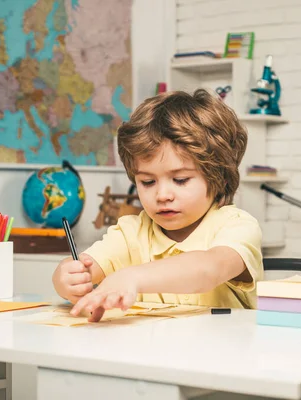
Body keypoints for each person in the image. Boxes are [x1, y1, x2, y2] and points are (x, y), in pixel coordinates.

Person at [52, 88, 263, 322]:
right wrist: (67, 278)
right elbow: (84, 268)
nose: (162, 195)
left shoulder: (236, 226)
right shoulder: (132, 231)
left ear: (219, 177)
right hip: (151, 354)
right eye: (148, 181)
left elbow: (208, 269)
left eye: (180, 180)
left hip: (223, 354)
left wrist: (132, 277)